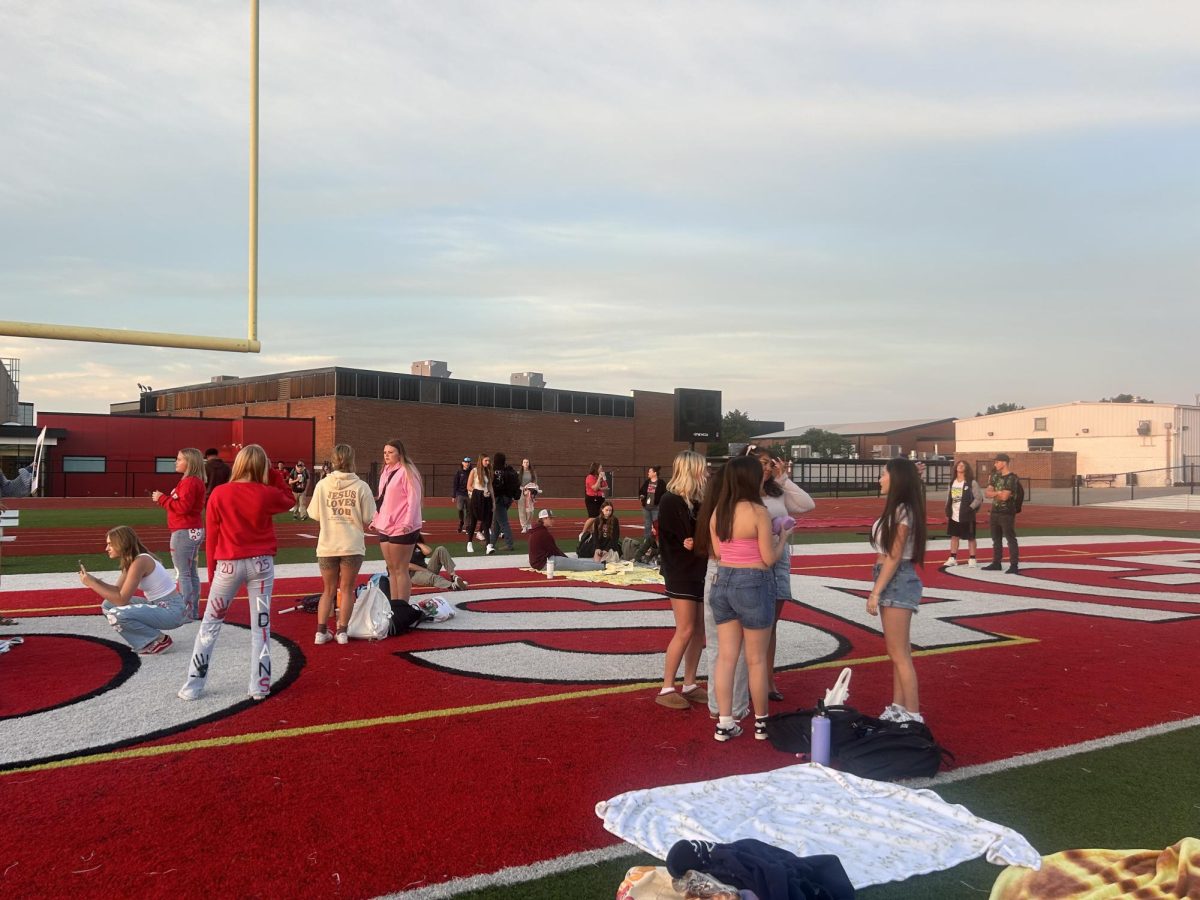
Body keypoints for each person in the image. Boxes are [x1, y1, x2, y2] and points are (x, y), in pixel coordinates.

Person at [178, 444, 295, 701]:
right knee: (261, 627)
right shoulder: (266, 493)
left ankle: (193, 685)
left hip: (228, 565)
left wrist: (212, 572)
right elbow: (290, 498)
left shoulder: (220, 494)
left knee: (210, 625)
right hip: (261, 565)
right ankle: (260, 685)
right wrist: (274, 473)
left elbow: (213, 537)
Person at [707, 456, 791, 742]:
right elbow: (768, 559)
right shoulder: (758, 511)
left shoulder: (719, 511)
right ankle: (761, 724)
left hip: (722, 583)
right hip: (753, 583)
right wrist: (784, 537)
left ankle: (725, 722)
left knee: (726, 657)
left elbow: (718, 554)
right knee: (755, 660)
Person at [747, 446, 816, 701]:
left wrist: (783, 478)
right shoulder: (742, 495)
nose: (766, 468)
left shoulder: (776, 491)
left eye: (769, 463)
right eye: (761, 463)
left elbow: (807, 504)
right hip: (754, 560)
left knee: (771, 624)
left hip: (779, 560)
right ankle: (748, 679)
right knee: (752, 623)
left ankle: (768, 680)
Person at [866, 457, 929, 724]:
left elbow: (893, 555)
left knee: (899, 653)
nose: (880, 478)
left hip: (896, 578)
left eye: (884, 474)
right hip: (893, 576)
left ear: (896, 479)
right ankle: (898, 707)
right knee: (898, 651)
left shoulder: (903, 510)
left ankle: (913, 715)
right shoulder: (900, 509)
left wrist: (876, 591)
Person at [655, 450, 711, 710]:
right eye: (703, 468)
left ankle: (689, 683)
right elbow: (687, 540)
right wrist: (699, 542)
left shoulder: (699, 499)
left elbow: (698, 540)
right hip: (680, 569)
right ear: (691, 470)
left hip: (699, 567)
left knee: (699, 632)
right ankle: (667, 686)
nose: (707, 472)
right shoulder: (670, 499)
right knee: (686, 629)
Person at [307, 443, 376, 645]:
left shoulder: (322, 485)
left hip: (328, 543)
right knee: (347, 588)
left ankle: (321, 632)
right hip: (352, 544)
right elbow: (368, 516)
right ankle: (342, 631)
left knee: (328, 590)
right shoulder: (361, 486)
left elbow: (314, 514)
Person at [80, 526, 187, 655]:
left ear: (121, 543)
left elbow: (121, 599)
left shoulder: (140, 561)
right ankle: (149, 639)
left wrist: (92, 584)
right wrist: (95, 581)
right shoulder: (134, 560)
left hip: (172, 611)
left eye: (110, 544)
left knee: (116, 613)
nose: (106, 548)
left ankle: (160, 640)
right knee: (108, 605)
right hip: (161, 605)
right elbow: (117, 590)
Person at [151, 447, 206, 621]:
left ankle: (186, 612)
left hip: (184, 531)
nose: (176, 462)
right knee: (190, 573)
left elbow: (183, 508)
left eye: (180, 459)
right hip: (191, 529)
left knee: (183, 574)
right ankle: (192, 610)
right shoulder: (192, 481)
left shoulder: (190, 482)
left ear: (189, 462)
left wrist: (161, 498)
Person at [370, 439, 425, 604]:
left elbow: (413, 499)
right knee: (391, 569)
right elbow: (383, 499)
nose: (386, 455)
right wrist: (375, 519)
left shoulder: (407, 471)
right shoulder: (385, 471)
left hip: (403, 526)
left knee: (401, 569)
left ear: (400, 454)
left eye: (390, 452)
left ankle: (403, 606)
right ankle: (394, 605)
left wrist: (407, 522)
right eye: (385, 452)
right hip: (386, 526)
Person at [527, 509, 604, 573]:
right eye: (550, 518)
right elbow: (554, 550)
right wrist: (565, 558)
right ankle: (602, 566)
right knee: (577, 564)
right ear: (544, 519)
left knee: (575, 561)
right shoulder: (543, 533)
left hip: (540, 562)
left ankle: (599, 564)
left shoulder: (536, 530)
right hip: (544, 563)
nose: (553, 520)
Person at [983, 453, 1021, 574]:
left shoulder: (1012, 478)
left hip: (1007, 512)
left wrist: (995, 493)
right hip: (995, 511)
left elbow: (1005, 497)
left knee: (1010, 538)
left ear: (1004, 462)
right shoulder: (995, 476)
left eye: (997, 462)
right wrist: (998, 492)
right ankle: (996, 562)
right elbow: (987, 493)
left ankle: (1014, 565)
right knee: (996, 539)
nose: (995, 464)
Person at [945, 460, 983, 568]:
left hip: (967, 515)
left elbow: (978, 498)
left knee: (970, 537)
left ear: (966, 468)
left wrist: (970, 508)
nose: (960, 466)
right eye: (959, 465)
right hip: (954, 515)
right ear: (956, 467)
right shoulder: (952, 482)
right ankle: (952, 558)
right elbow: (950, 498)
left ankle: (972, 558)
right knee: (954, 536)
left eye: (963, 465)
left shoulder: (971, 483)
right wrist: (947, 509)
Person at [490, 451, 520, 552]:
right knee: (497, 522)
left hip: (499, 499)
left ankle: (509, 544)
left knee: (503, 522)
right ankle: (491, 543)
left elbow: (495, 486)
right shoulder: (509, 470)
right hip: (508, 499)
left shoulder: (495, 471)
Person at [465, 453, 494, 554]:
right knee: (473, 522)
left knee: (486, 523)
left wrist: (493, 501)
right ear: (481, 461)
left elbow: (490, 487)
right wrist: (479, 493)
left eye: (488, 461)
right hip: (476, 500)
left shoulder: (488, 471)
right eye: (486, 460)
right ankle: (469, 543)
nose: (488, 462)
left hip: (486, 499)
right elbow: (468, 486)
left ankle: (488, 546)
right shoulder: (474, 471)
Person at [580, 499, 622, 563]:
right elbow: (595, 535)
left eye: (610, 510)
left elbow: (615, 537)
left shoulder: (615, 520)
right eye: (606, 510)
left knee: (604, 562)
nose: (608, 512)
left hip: (610, 546)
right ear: (602, 510)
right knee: (597, 562)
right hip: (600, 546)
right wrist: (598, 548)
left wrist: (606, 549)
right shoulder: (597, 520)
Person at [638, 465, 666, 538]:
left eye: (650, 471)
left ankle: (657, 540)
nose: (648, 473)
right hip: (646, 507)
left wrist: (661, 503)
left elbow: (664, 494)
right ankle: (647, 541)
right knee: (647, 524)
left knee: (656, 525)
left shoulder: (661, 483)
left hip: (656, 507)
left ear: (655, 473)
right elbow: (641, 491)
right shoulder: (647, 482)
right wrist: (641, 496)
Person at [517, 458, 540, 533]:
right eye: (524, 462)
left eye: (527, 462)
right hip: (521, 493)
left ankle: (529, 524)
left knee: (530, 510)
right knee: (522, 510)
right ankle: (524, 526)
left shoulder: (532, 473)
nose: (526, 463)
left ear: (529, 463)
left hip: (530, 492)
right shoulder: (519, 473)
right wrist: (523, 489)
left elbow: (535, 483)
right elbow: (517, 484)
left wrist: (531, 490)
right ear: (522, 464)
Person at [452, 457, 472, 533]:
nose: (467, 463)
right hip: (460, 494)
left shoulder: (472, 472)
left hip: (469, 494)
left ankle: (467, 526)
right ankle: (461, 522)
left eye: (469, 462)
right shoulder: (459, 472)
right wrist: (453, 495)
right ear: (462, 463)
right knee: (460, 508)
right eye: (466, 462)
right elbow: (455, 484)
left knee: (469, 511)